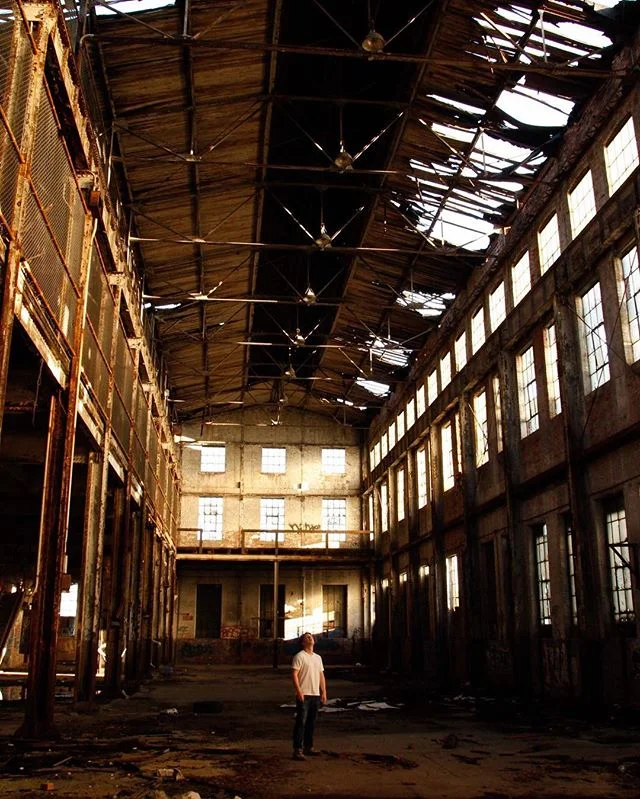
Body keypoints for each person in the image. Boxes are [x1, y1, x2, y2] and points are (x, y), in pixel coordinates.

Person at [291, 631, 327, 760]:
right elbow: (294, 674)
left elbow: (321, 676)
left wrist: (323, 692)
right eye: (307, 637)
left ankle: (308, 747)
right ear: (302, 642)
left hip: (315, 694)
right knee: (301, 722)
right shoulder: (299, 656)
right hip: (304, 694)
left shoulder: (318, 658)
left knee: (311, 722)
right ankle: (297, 750)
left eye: (311, 636)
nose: (310, 638)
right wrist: (299, 691)